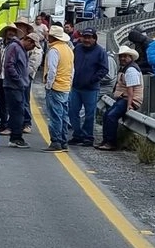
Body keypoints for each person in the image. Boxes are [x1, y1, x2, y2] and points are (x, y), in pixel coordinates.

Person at [68, 27, 109, 146]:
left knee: (89, 114)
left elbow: (104, 69)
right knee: (72, 112)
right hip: (76, 87)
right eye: (84, 37)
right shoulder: (78, 49)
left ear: (94, 39)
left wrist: (92, 80)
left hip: (91, 88)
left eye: (89, 38)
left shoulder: (100, 51)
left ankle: (88, 137)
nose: (86, 40)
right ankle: (77, 135)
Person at [97, 46, 144, 151]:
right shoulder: (126, 68)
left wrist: (129, 105)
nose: (122, 58)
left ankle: (111, 142)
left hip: (129, 99)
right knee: (106, 115)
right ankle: (106, 141)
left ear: (130, 57)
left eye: (125, 56)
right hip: (123, 98)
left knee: (111, 116)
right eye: (121, 56)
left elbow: (131, 89)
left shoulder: (131, 70)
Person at [42, 24, 74, 152]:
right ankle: (63, 141)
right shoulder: (69, 50)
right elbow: (72, 70)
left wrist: (49, 86)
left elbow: (52, 70)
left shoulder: (54, 50)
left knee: (55, 115)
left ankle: (56, 141)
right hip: (66, 85)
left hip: (56, 86)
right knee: (64, 115)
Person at [2, 25, 32, 149]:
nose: (33, 48)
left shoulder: (19, 48)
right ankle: (15, 137)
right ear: (28, 41)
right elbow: (9, 65)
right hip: (13, 86)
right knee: (17, 112)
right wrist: (19, 81)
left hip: (17, 86)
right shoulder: (15, 47)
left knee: (18, 111)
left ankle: (16, 136)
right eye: (33, 45)